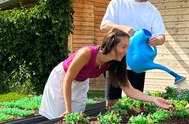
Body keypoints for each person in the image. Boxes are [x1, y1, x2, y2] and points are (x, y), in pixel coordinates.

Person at [39, 29, 172, 119]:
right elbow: (68, 79)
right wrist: (68, 108)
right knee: (57, 116)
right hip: (62, 79)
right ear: (112, 45)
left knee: (75, 117)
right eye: (123, 47)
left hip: (81, 82)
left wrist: (153, 100)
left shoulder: (114, 63)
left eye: (128, 47)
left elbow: (130, 90)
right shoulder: (87, 53)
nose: (126, 52)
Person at [100, 0, 167, 106]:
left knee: (136, 103)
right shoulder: (118, 2)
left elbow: (161, 36)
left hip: (138, 62)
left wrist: (157, 40)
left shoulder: (152, 11)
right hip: (115, 58)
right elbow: (104, 25)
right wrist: (123, 28)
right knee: (112, 100)